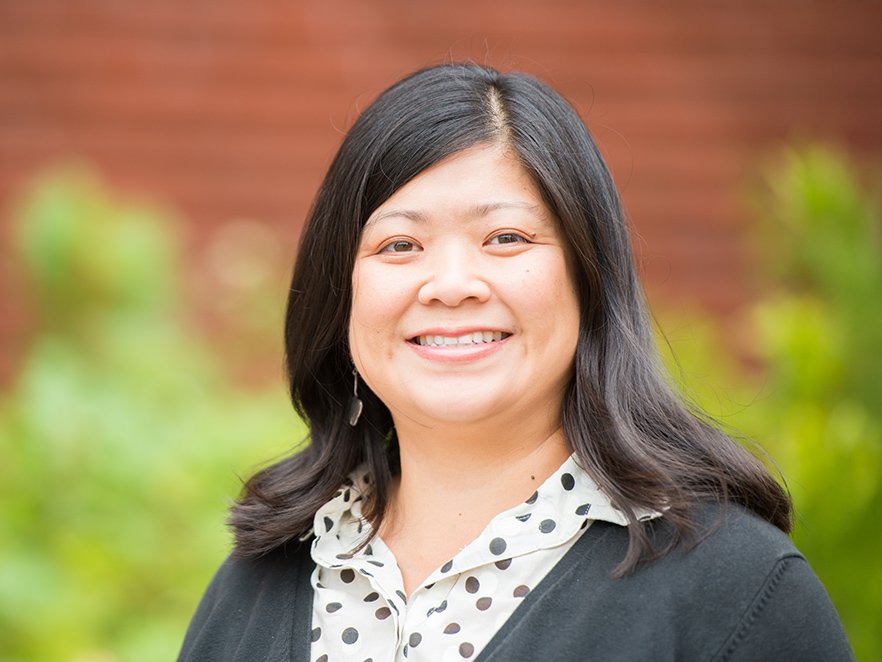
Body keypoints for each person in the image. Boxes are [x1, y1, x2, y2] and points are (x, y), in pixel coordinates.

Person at [178, 63, 854, 661]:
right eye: (399, 245)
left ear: (589, 279)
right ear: (340, 293)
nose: (449, 283)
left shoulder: (735, 590)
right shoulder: (263, 582)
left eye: (505, 238)